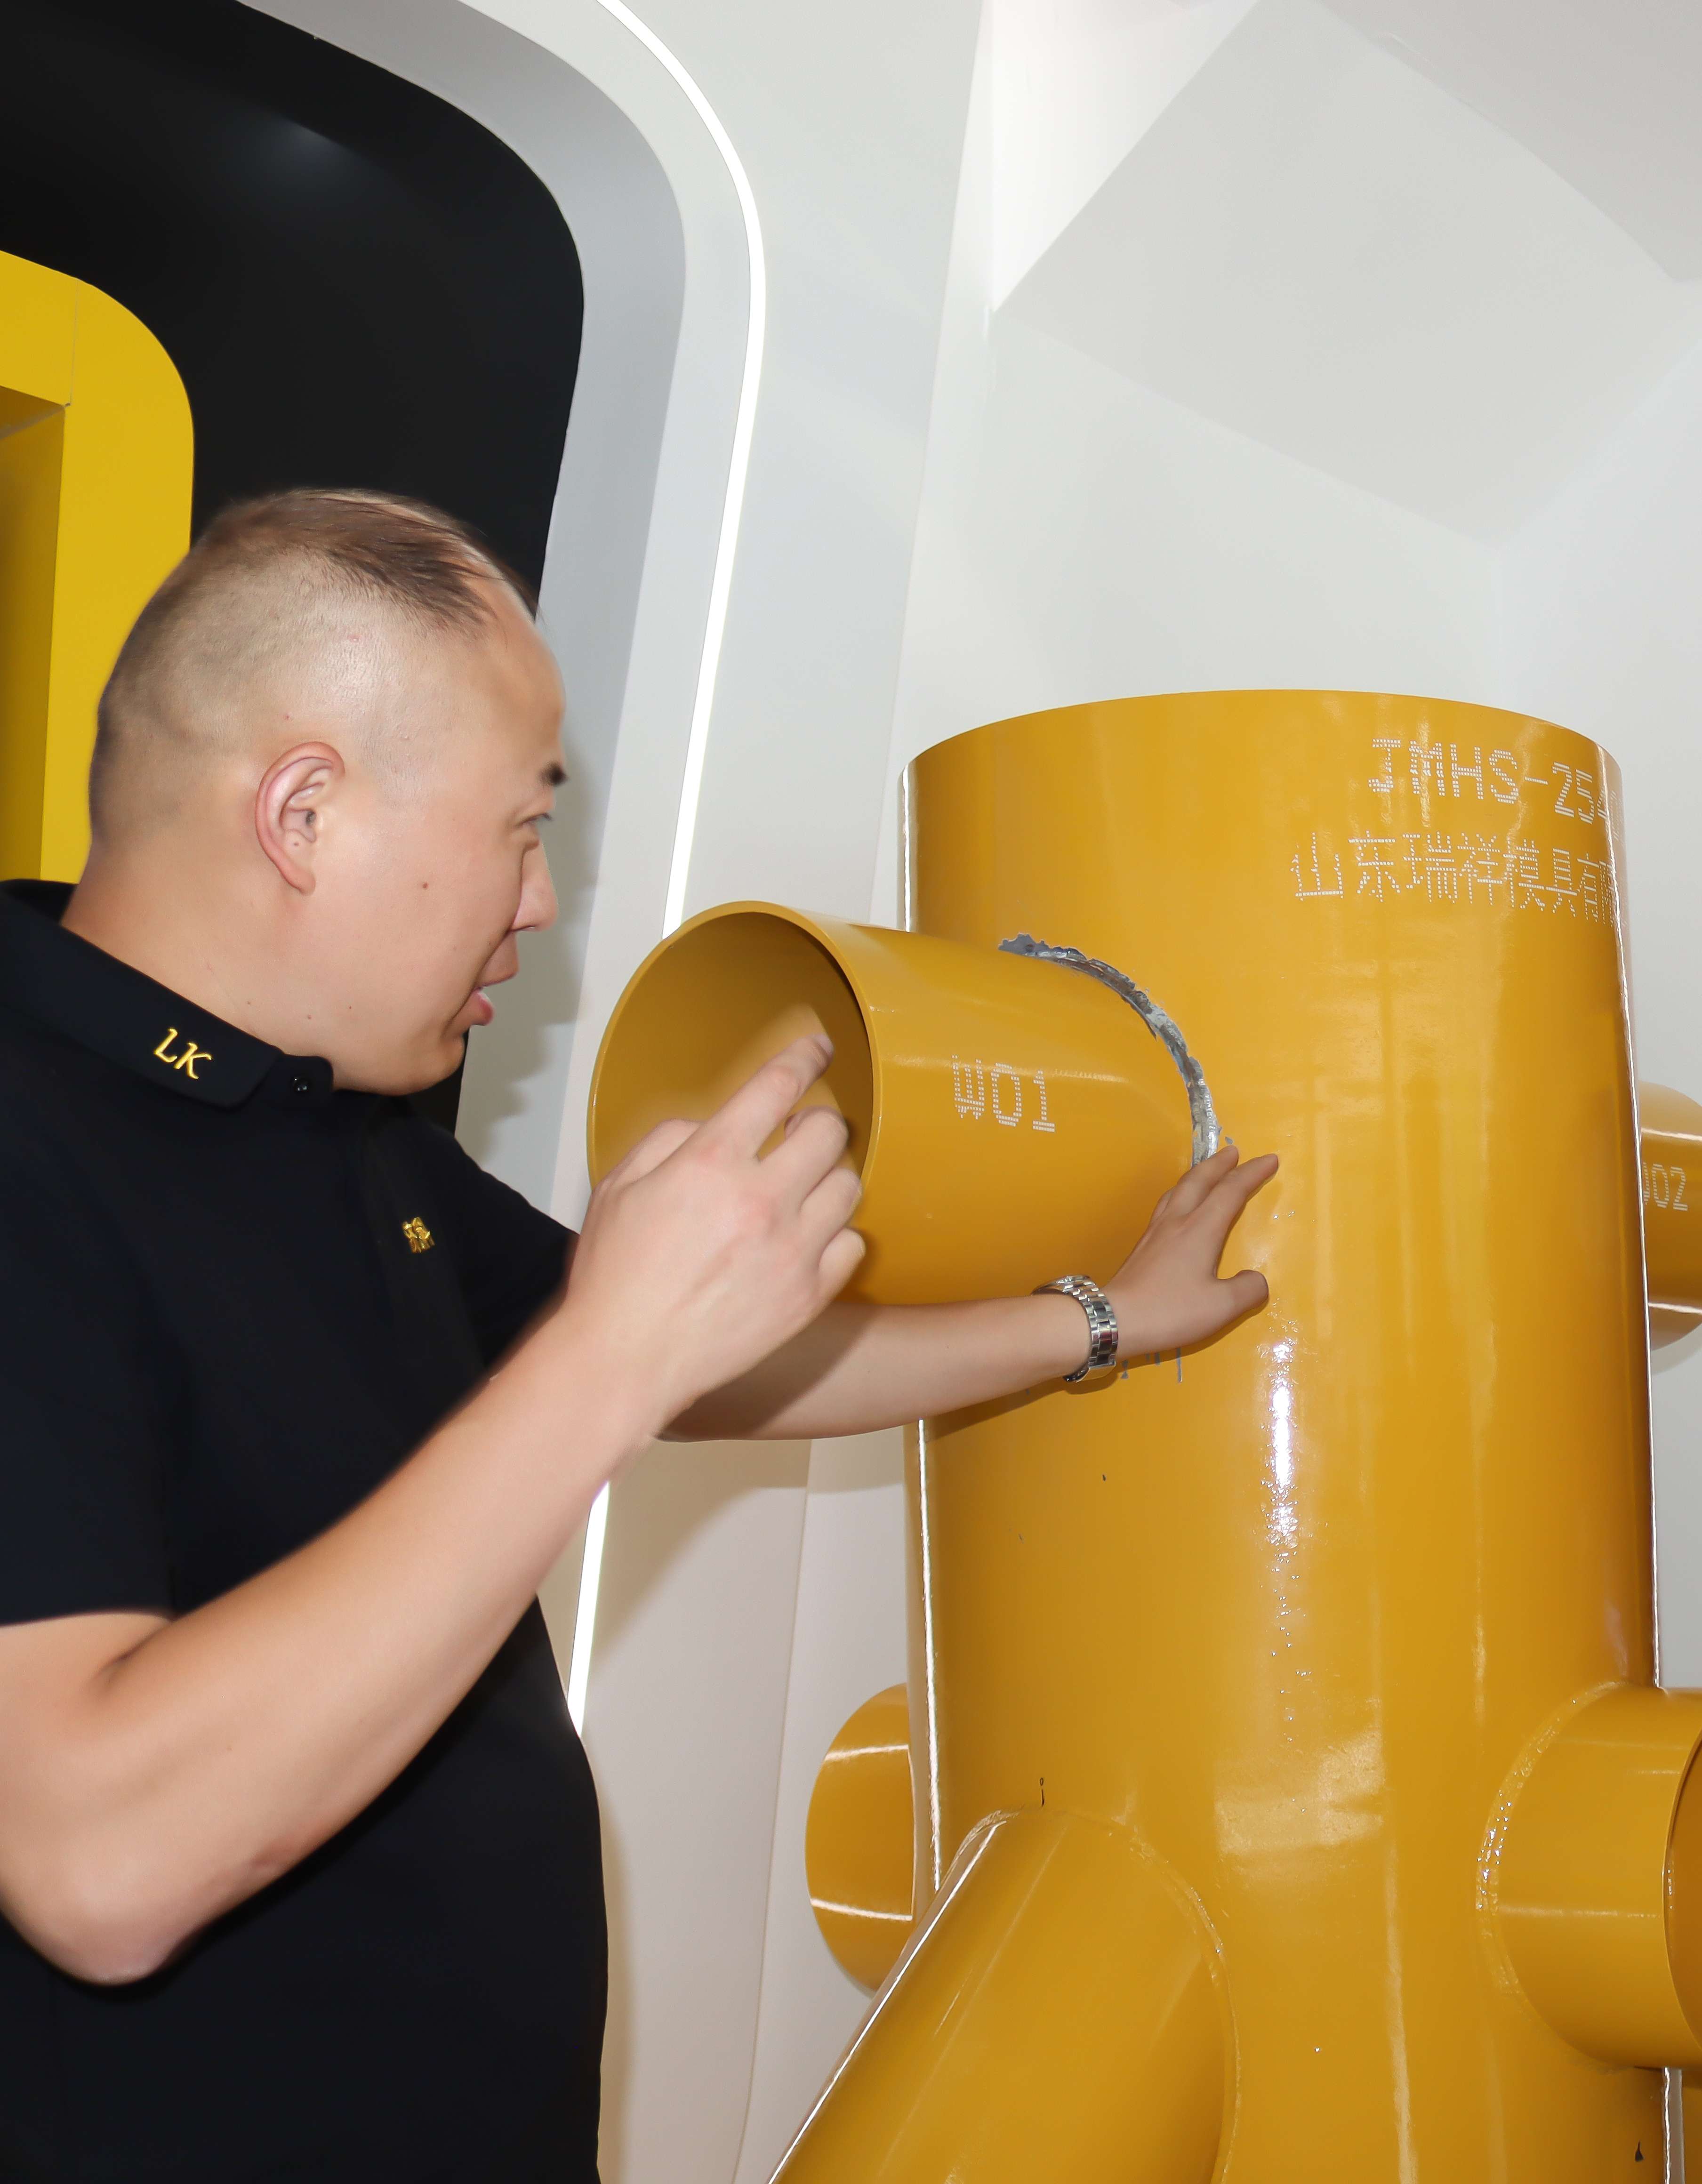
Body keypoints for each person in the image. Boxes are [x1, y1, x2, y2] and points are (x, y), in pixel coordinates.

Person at [0, 491, 1277, 2180]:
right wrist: (611, 1355)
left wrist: (1101, 1322)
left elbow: (707, 1365)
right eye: (524, 828)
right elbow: (96, 1864)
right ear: (304, 813)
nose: (539, 903)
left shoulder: (332, 1125)